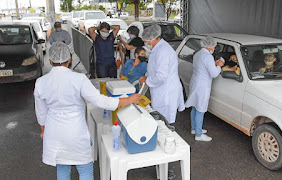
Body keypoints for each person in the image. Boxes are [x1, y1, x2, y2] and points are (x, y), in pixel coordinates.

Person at [34, 42, 140, 180]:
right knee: (84, 170)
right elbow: (100, 100)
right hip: (75, 132)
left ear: (50, 60)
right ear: (70, 59)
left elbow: (41, 112)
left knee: (63, 169)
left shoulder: (41, 82)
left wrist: (43, 130)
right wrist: (128, 100)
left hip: (54, 133)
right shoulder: (79, 79)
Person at [139, 24, 185, 126]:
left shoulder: (163, 51)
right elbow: (153, 68)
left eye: (146, 42)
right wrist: (146, 76)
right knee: (161, 120)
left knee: (166, 122)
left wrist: (147, 81)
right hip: (161, 89)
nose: (146, 44)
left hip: (166, 92)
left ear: (151, 38)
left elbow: (161, 75)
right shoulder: (158, 49)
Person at [185, 37, 224, 142]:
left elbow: (203, 67)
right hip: (202, 86)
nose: (214, 48)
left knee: (195, 106)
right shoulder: (207, 57)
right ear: (210, 46)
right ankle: (198, 134)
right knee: (201, 109)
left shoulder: (198, 54)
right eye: (214, 46)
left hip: (195, 83)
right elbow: (214, 73)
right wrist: (219, 66)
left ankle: (194, 128)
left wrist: (213, 64)